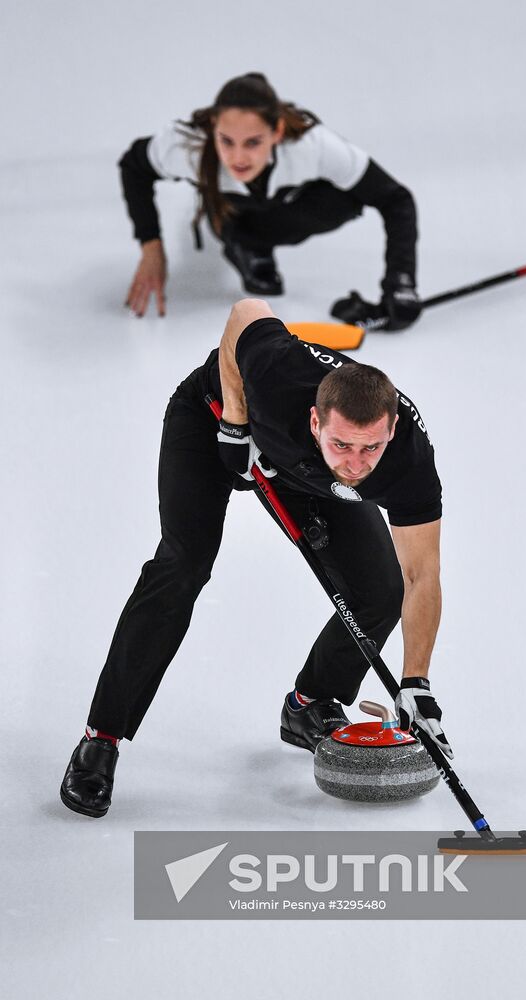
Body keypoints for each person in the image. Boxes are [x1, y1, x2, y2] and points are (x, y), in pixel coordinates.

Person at [60, 299, 448, 818]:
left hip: (301, 470)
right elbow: (245, 312)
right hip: (212, 424)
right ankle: (100, 736)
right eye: (343, 444)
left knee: (380, 589)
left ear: (391, 431)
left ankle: (310, 706)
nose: (357, 464)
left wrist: (415, 683)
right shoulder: (279, 372)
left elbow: (421, 573)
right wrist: (237, 426)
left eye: (370, 448)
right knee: (183, 565)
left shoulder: (407, 461)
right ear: (315, 420)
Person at [120, 72, 421, 331]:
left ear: (276, 132)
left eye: (253, 143)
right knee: (232, 201)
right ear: (213, 127)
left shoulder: (311, 146)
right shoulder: (187, 147)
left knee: (346, 199)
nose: (238, 158)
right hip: (228, 211)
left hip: (278, 204)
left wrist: (401, 283)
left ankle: (255, 240)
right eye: (226, 141)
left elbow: (396, 199)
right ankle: (243, 242)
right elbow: (134, 166)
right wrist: (151, 248)